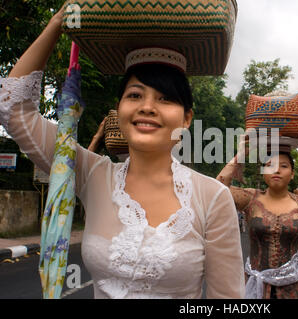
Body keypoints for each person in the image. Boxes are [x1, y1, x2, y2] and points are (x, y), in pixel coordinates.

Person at [0, 7, 245, 299]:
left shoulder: (213, 197)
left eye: (165, 98)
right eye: (135, 95)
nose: (147, 107)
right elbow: (12, 110)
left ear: (186, 118)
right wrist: (57, 24)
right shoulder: (91, 174)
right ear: (119, 111)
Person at [216, 146, 298, 299]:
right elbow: (219, 187)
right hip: (256, 287)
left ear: (292, 174)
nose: (277, 170)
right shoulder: (250, 198)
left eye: (284, 166)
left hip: (294, 288)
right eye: (269, 165)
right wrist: (241, 154)